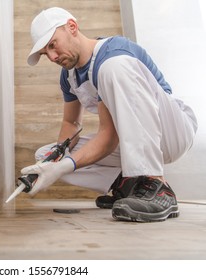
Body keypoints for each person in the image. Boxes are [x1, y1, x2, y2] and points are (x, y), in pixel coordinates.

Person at [21, 7, 198, 222]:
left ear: (72, 27)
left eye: (52, 45)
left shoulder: (112, 54)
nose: (52, 56)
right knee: (45, 156)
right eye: (44, 53)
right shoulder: (69, 76)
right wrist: (53, 163)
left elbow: (108, 137)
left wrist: (62, 168)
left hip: (172, 130)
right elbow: (70, 123)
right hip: (134, 139)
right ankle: (129, 186)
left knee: (112, 68)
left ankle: (156, 185)